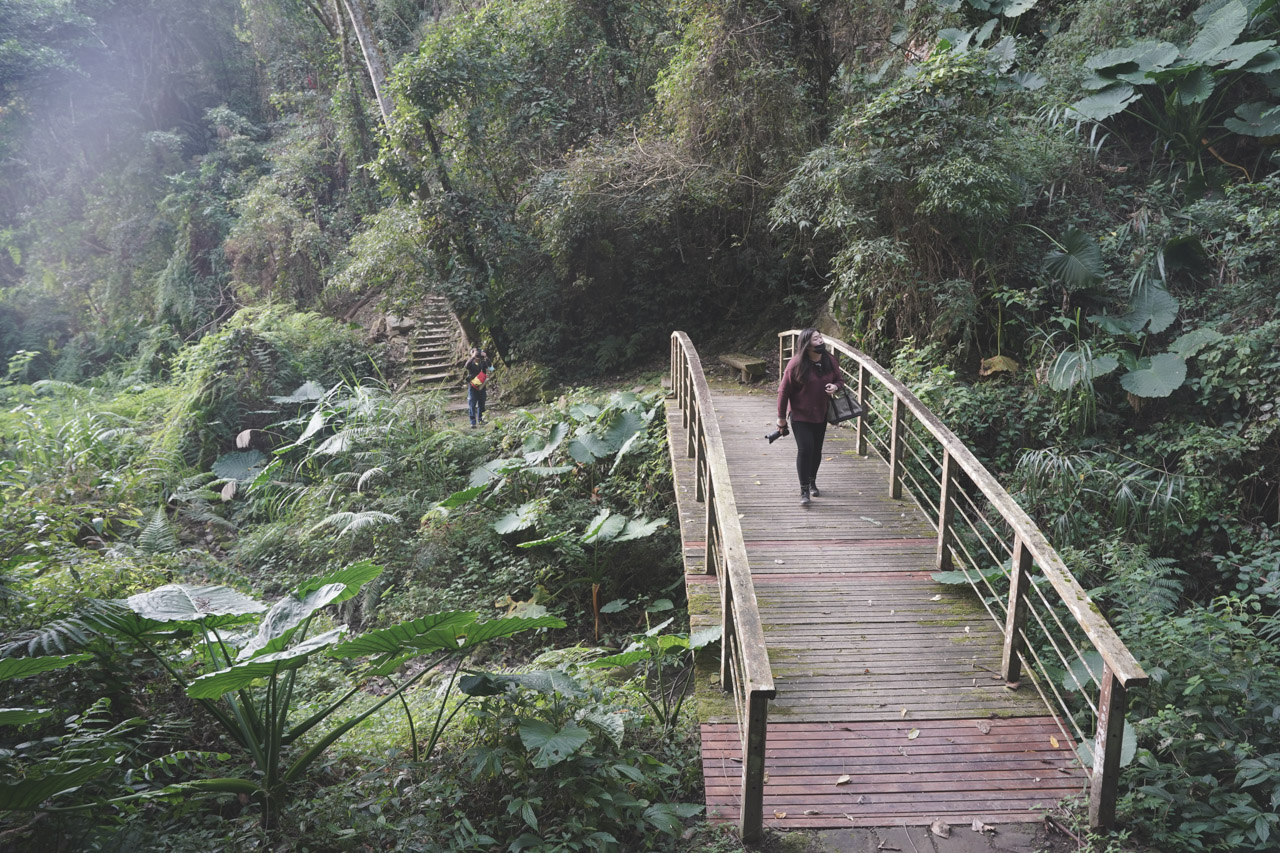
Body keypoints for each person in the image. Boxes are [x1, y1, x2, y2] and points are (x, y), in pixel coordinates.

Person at [775, 328, 843, 507]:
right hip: (800, 414)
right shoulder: (796, 364)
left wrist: (835, 387)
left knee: (817, 450)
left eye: (821, 337)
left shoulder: (829, 360)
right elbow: (783, 391)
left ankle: (812, 481)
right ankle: (804, 489)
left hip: (821, 413)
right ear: (807, 344)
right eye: (816, 339)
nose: (820, 341)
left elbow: (840, 380)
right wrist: (781, 418)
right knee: (805, 450)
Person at [464, 346, 492, 427]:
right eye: (475, 353)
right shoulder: (471, 362)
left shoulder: (483, 362)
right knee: (472, 404)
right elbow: (466, 366)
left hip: (482, 386)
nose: (477, 355)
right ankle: (473, 422)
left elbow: (491, 368)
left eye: (478, 353)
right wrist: (472, 357)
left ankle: (481, 420)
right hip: (473, 386)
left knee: (481, 403)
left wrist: (486, 357)